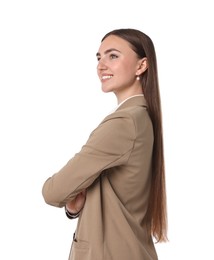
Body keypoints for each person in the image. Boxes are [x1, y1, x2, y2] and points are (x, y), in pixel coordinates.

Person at [42, 28, 168, 260]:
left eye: (113, 56)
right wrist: (75, 207)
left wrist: (67, 199)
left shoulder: (123, 122)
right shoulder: (141, 117)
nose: (101, 65)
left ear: (141, 66)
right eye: (99, 57)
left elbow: (53, 191)